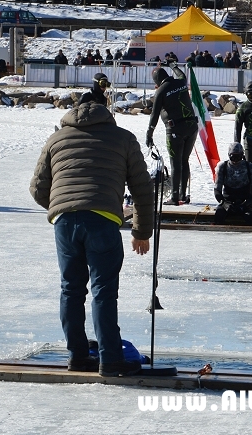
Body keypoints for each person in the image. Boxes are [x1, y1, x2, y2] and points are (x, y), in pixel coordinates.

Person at [29, 102, 153, 377]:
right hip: (102, 221)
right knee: (103, 291)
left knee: (71, 289)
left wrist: (62, 204)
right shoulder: (122, 138)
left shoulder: (56, 139)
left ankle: (77, 356)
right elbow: (143, 188)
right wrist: (141, 232)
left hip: (64, 222)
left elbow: (37, 188)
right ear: (107, 118)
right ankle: (110, 359)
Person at [146, 62, 198, 206]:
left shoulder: (161, 91)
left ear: (156, 81)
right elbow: (181, 74)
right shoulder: (181, 81)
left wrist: (149, 134)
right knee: (184, 160)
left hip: (176, 130)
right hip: (192, 127)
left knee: (175, 163)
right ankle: (183, 194)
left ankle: (175, 197)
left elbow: (154, 115)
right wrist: (172, 65)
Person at [214, 143, 252, 225]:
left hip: (245, 202)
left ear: (242, 156)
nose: (235, 160)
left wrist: (246, 204)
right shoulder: (222, 167)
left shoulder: (250, 167)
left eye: (238, 157)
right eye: (233, 157)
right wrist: (224, 204)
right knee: (219, 215)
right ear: (229, 155)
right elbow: (217, 190)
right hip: (227, 201)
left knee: (250, 217)